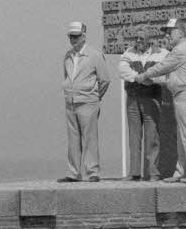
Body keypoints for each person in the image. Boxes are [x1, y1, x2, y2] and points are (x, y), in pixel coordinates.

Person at [137, 19, 186, 183]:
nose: (167, 35)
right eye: (166, 32)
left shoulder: (181, 49)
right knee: (182, 136)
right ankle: (181, 172)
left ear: (181, 32)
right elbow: (169, 77)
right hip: (182, 94)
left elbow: (163, 66)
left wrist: (145, 75)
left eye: (170, 31)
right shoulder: (182, 49)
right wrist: (152, 81)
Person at [59, 21, 111, 183]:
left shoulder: (95, 55)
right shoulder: (67, 56)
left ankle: (92, 172)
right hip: (71, 102)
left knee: (90, 138)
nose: (73, 40)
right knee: (73, 139)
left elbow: (105, 80)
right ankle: (73, 173)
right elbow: (66, 77)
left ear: (83, 36)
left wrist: (94, 96)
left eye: (75, 36)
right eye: (71, 37)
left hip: (88, 102)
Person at [119, 29, 168, 181]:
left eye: (141, 38)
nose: (137, 41)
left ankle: (153, 172)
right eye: (136, 38)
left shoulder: (162, 53)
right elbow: (123, 71)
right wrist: (139, 78)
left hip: (152, 98)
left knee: (152, 136)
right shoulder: (128, 53)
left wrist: (151, 80)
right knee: (134, 137)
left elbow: (166, 74)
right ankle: (134, 173)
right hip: (133, 99)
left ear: (149, 40)